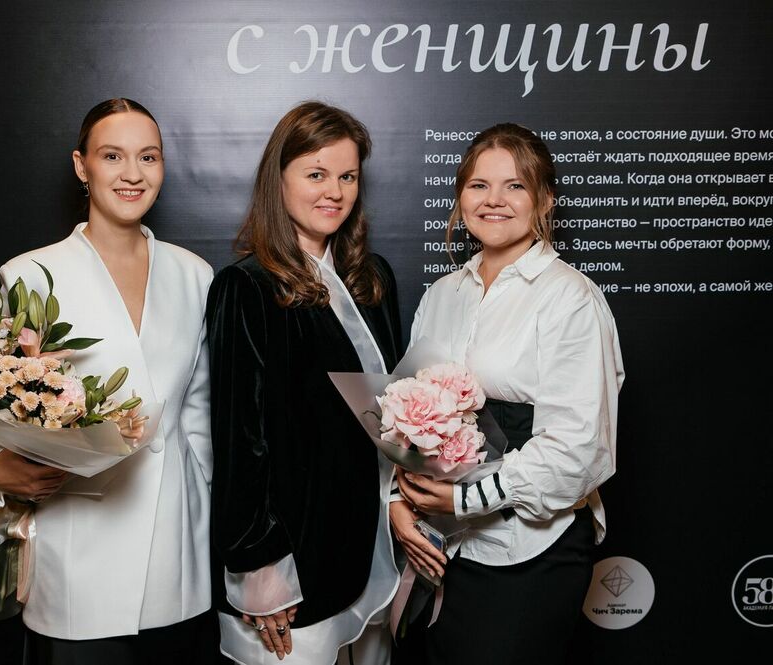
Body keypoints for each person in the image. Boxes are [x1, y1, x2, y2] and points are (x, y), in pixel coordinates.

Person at [0, 98, 219, 664]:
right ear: (82, 166)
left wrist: (207, 507)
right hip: (78, 544)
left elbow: (200, 413)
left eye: (148, 157)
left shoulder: (194, 274)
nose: (133, 173)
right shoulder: (30, 274)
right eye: (113, 156)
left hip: (178, 548)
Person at [390, 123, 624, 664]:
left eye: (515, 186)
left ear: (544, 200)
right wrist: (398, 505)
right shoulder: (442, 294)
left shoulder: (569, 298)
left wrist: (463, 500)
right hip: (440, 547)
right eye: (479, 185)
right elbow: (401, 417)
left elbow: (578, 449)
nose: (493, 200)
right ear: (460, 197)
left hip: (529, 551)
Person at [205, 101, 402, 665]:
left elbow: (391, 411)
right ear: (280, 179)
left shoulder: (372, 279)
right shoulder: (247, 287)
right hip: (292, 563)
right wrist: (259, 568)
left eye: (348, 177)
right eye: (316, 174)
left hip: (368, 541)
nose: (334, 191)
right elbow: (241, 441)